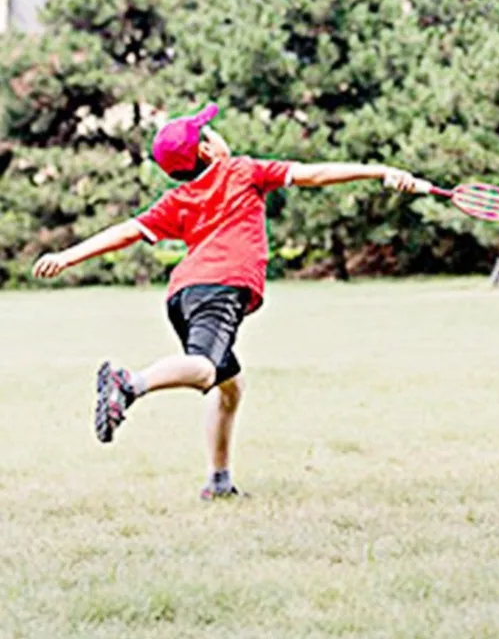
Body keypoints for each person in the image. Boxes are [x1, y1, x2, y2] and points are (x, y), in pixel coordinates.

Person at [32, 103, 416, 501]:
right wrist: (379, 171)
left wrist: (66, 256)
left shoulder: (179, 197)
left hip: (184, 294)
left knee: (229, 385)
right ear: (206, 151)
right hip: (220, 287)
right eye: (209, 132)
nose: (216, 133)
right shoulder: (242, 170)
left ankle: (219, 482)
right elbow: (311, 173)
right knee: (204, 370)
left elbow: (127, 230)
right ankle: (128, 385)